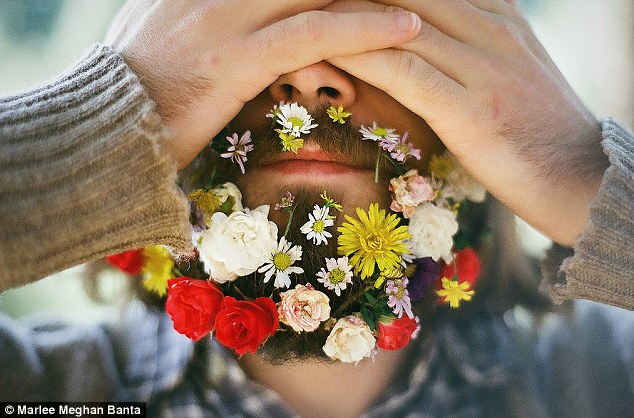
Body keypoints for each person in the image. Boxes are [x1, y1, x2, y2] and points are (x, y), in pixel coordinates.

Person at [0, 0, 632, 416]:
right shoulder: (34, 391)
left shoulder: (606, 383)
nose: (307, 80)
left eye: (369, 21)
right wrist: (101, 122)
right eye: (259, 23)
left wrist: (585, 180)